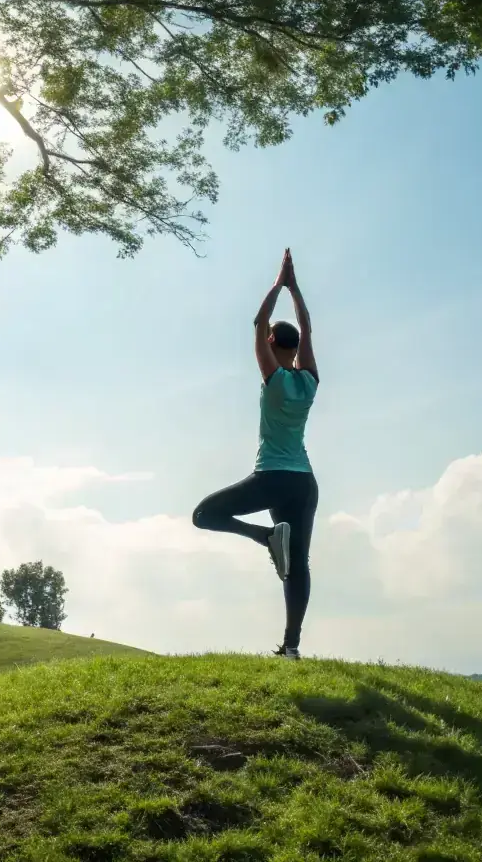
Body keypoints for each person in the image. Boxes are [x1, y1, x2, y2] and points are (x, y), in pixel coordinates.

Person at [192, 248, 319, 659]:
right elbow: (306, 329)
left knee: (204, 515)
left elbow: (258, 321)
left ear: (269, 343)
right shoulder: (310, 381)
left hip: (271, 477)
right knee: (298, 563)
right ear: (298, 346)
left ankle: (264, 536)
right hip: (304, 483)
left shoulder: (275, 377)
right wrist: (296, 291)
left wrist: (278, 284)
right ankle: (292, 647)